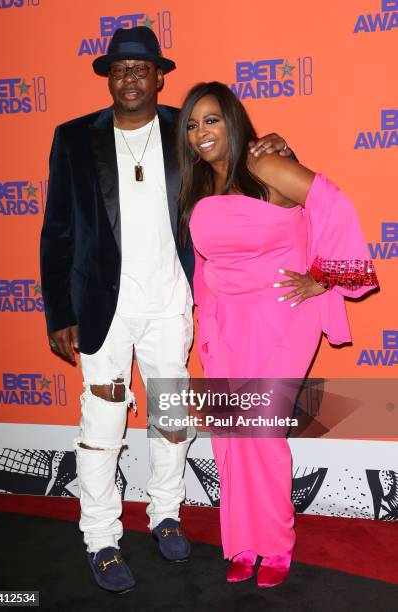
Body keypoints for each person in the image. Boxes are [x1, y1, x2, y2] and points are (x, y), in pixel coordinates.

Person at [40, 28, 291, 593]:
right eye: (120, 68)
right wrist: (59, 312)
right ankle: (101, 538)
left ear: (159, 77)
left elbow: (241, 162)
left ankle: (165, 513)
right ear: (108, 76)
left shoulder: (188, 128)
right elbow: (57, 229)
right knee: (102, 423)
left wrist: (275, 146)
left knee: (171, 420)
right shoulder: (75, 138)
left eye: (142, 68)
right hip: (101, 305)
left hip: (173, 300)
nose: (130, 77)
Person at [177, 81, 379, 588]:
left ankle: (277, 545)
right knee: (231, 434)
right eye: (194, 124)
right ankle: (243, 543)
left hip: (283, 314)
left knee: (262, 432)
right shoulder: (198, 184)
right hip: (224, 321)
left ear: (232, 120)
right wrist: (205, 321)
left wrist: (326, 276)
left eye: (212, 120)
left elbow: (332, 202)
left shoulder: (263, 166)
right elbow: (203, 260)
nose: (202, 133)